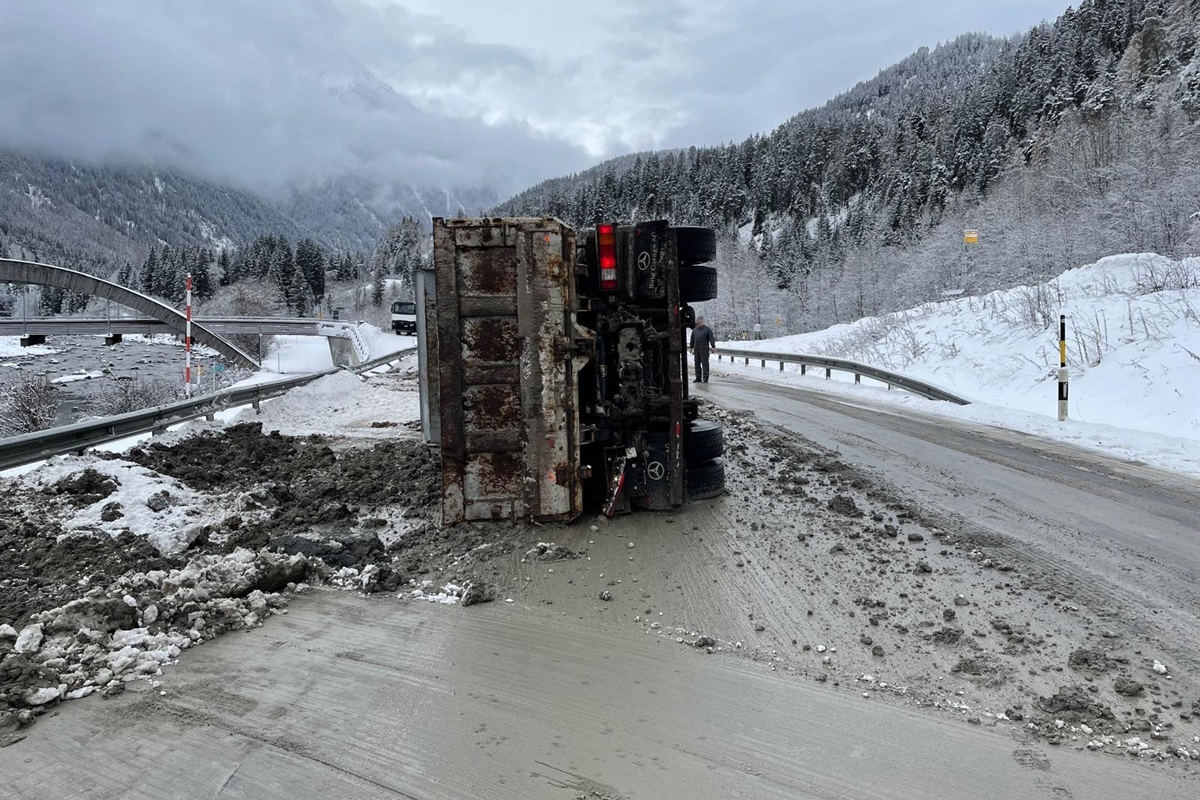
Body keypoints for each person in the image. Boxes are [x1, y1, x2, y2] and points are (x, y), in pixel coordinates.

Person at [689, 316, 717, 383]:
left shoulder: (707, 329)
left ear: (702, 322)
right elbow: (692, 339)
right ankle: (698, 378)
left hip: (704, 349)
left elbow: (711, 338)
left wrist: (713, 346)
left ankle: (705, 378)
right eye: (697, 321)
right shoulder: (695, 330)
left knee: (705, 364)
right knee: (697, 364)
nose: (698, 323)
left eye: (699, 321)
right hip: (696, 349)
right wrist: (691, 347)